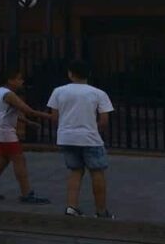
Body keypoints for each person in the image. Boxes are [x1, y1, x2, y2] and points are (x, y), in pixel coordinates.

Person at [47, 59, 114, 219]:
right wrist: (92, 127)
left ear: (70, 74)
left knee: (75, 171)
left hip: (66, 137)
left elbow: (54, 116)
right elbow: (104, 120)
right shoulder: (98, 93)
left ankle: (72, 207)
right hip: (90, 137)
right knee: (97, 172)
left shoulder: (58, 91)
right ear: (88, 74)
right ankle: (101, 211)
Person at [0, 68, 55, 204]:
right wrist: (50, 116)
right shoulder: (9, 94)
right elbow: (27, 110)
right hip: (2, 131)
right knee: (19, 159)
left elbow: (10, 112)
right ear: (10, 80)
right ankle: (26, 193)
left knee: (3, 159)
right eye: (18, 79)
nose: (22, 81)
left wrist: (28, 122)